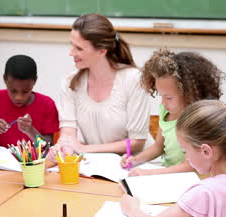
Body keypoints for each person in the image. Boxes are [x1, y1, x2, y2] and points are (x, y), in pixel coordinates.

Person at [48, 13, 152, 159]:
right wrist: (64, 145)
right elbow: (68, 134)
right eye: (72, 45)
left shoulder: (134, 79)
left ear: (102, 51)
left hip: (137, 166)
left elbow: (136, 143)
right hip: (95, 167)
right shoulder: (70, 83)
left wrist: (84, 149)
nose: (71, 53)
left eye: (79, 48)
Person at [120, 48, 224, 176]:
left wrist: (150, 173)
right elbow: (158, 147)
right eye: (160, 95)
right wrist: (135, 160)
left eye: (168, 97)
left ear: (189, 94)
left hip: (192, 180)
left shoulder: (199, 121)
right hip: (169, 176)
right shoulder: (166, 111)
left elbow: (189, 166)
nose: (163, 103)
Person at [0, 54, 59, 147]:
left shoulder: (47, 104)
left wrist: (31, 131)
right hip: (3, 160)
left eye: (25, 91)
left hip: (35, 161)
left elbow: (49, 145)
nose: (19, 97)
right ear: (4, 79)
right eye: (13, 91)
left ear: (34, 81)